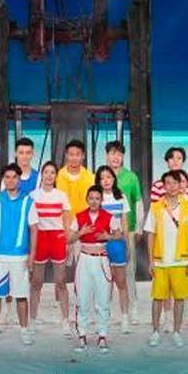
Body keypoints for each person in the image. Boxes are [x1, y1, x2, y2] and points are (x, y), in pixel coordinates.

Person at [145, 170, 188, 348]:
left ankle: (177, 332)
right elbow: (151, 234)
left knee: (180, 298)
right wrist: (150, 260)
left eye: (175, 183)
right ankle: (155, 331)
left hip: (181, 260)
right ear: (163, 186)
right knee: (158, 297)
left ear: (180, 185)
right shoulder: (156, 207)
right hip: (160, 261)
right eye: (168, 183)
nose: (171, 186)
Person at [0, 163, 34, 345]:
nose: (11, 180)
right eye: (7, 177)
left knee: (21, 295)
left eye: (14, 177)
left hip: (20, 256)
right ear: (3, 179)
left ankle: (24, 330)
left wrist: (32, 256)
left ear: (19, 179)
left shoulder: (28, 201)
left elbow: (34, 230)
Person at [27, 159, 72, 332]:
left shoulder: (61, 195)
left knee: (61, 281)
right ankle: (32, 320)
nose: (49, 175)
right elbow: (30, 223)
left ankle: (65, 320)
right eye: (46, 172)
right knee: (36, 282)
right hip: (40, 239)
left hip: (57, 238)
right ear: (42, 175)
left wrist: (67, 240)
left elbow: (66, 220)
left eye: (52, 173)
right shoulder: (33, 195)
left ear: (56, 176)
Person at [72, 184, 114, 352]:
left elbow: (119, 234)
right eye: (91, 198)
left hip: (102, 260)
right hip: (84, 259)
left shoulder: (109, 216)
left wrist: (108, 236)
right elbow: (68, 238)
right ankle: (82, 335)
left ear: (101, 200)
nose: (94, 201)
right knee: (82, 299)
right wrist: (80, 233)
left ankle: (102, 335)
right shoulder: (79, 216)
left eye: (97, 198)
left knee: (103, 300)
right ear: (87, 199)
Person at [105, 139, 143, 324]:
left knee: (128, 271)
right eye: (112, 154)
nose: (115, 158)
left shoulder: (131, 177)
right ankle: (107, 309)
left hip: (127, 230)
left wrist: (139, 228)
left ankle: (132, 308)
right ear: (107, 155)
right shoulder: (102, 176)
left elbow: (138, 203)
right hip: (105, 234)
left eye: (119, 155)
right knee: (107, 273)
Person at [95, 164, 130, 333]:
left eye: (108, 177)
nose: (106, 181)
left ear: (113, 179)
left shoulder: (121, 197)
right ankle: (103, 318)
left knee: (121, 282)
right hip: (101, 244)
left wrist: (127, 244)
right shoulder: (97, 198)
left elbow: (125, 223)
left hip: (117, 244)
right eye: (102, 178)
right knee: (104, 283)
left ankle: (125, 318)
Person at [55, 139, 95, 219]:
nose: (74, 158)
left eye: (78, 154)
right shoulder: (57, 176)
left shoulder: (91, 177)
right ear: (66, 156)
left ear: (83, 156)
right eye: (71, 154)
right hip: (62, 222)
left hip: (85, 222)